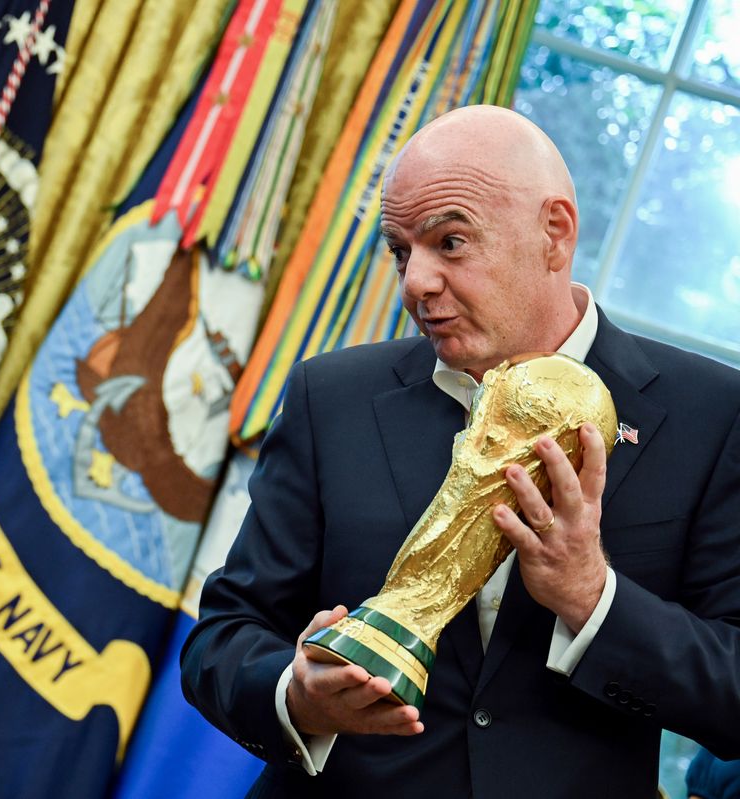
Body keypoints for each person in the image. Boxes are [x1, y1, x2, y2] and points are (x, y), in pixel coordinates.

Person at [180, 105, 740, 797]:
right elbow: (223, 637)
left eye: (449, 242)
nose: (416, 281)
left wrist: (593, 599)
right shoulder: (332, 396)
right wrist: (296, 694)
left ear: (554, 233)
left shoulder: (711, 415)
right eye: (400, 251)